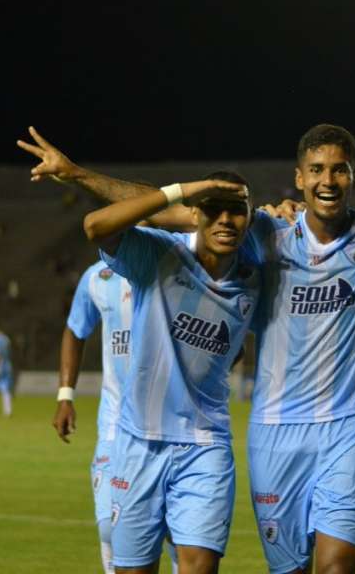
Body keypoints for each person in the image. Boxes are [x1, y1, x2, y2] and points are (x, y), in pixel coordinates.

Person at [18, 96, 355, 572]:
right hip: (276, 431)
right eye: (317, 170)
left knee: (335, 566)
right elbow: (175, 213)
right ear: (299, 179)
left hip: (349, 428)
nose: (329, 180)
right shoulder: (263, 232)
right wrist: (77, 174)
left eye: (340, 170)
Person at [83, 171, 258, 574]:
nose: (226, 221)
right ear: (194, 213)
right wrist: (185, 191)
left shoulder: (257, 274)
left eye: (237, 211)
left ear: (249, 218)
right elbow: (95, 226)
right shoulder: (160, 255)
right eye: (214, 209)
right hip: (138, 443)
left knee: (199, 567)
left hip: (205, 444)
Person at [54, 260, 135, 574]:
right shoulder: (97, 277)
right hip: (115, 423)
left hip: (169, 426)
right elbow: (75, 330)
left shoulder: (178, 264)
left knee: (171, 536)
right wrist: (65, 395)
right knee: (109, 528)